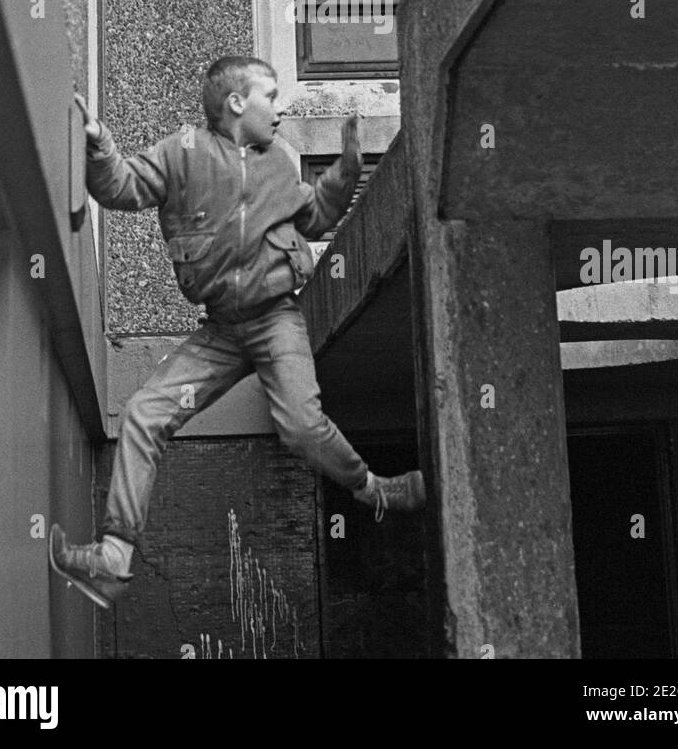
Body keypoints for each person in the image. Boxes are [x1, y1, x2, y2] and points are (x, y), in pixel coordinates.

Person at [49, 55, 425, 609]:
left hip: (276, 320)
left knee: (300, 425)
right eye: (270, 96)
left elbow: (314, 218)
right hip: (224, 332)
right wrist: (98, 144)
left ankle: (375, 492)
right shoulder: (182, 154)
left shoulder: (281, 163)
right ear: (235, 103)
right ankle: (113, 557)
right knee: (141, 414)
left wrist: (344, 176)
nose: (280, 107)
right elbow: (123, 187)